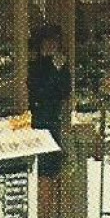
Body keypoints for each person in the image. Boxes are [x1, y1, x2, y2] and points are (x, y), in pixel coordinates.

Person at [27, 25, 72, 180]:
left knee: (52, 161)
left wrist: (56, 69)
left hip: (53, 115)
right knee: (39, 160)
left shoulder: (59, 63)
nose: (51, 46)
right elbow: (35, 87)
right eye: (48, 42)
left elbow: (65, 90)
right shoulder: (34, 63)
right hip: (36, 116)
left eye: (55, 42)